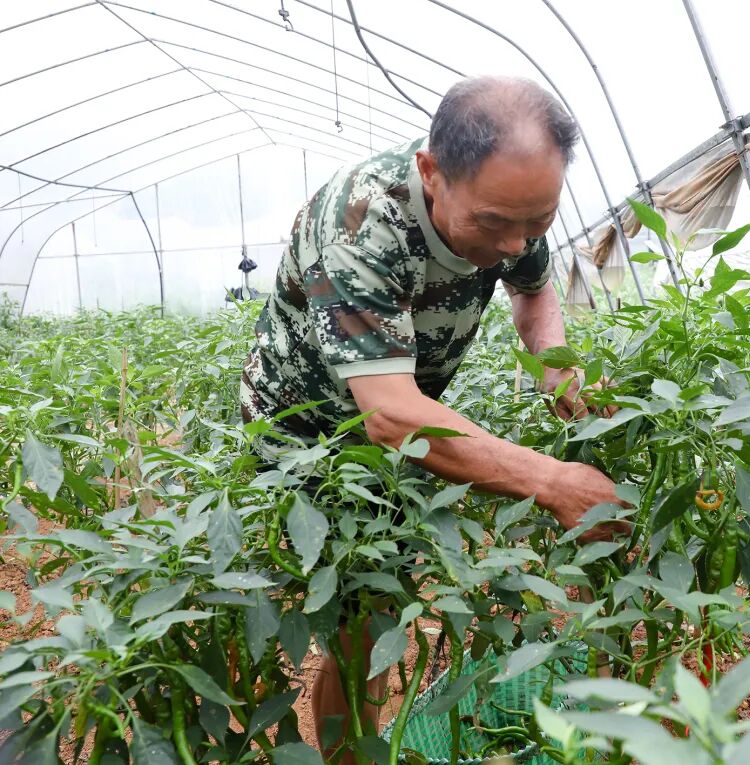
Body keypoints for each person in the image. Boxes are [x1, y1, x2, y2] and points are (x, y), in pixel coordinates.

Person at [239, 76, 624, 763]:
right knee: (339, 610)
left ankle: (354, 745)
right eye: (494, 223)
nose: (514, 243)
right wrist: (557, 481)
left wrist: (556, 365)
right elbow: (390, 415)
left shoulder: (512, 201)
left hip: (399, 432)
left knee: (375, 617)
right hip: (304, 437)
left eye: (536, 223)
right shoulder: (359, 221)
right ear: (431, 172)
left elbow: (534, 295)